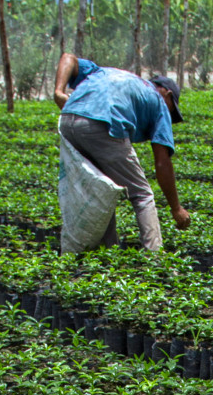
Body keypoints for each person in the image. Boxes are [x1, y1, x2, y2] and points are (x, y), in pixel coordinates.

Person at [52, 52, 191, 251]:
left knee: (102, 188)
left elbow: (68, 58)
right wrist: (176, 208)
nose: (170, 115)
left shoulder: (105, 73)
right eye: (172, 109)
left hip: (68, 118)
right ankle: (156, 257)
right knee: (142, 194)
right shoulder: (159, 102)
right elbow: (162, 162)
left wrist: (59, 91)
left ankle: (107, 252)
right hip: (104, 123)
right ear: (167, 94)